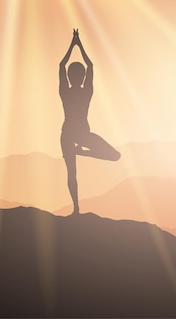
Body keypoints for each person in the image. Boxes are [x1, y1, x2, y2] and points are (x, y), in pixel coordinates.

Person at [59, 29, 120, 215]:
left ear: (70, 77)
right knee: (113, 155)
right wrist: (79, 44)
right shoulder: (86, 92)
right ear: (83, 77)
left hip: (70, 133)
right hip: (79, 133)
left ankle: (76, 209)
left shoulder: (65, 92)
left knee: (72, 173)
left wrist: (73, 44)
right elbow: (90, 66)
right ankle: (76, 209)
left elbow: (62, 65)